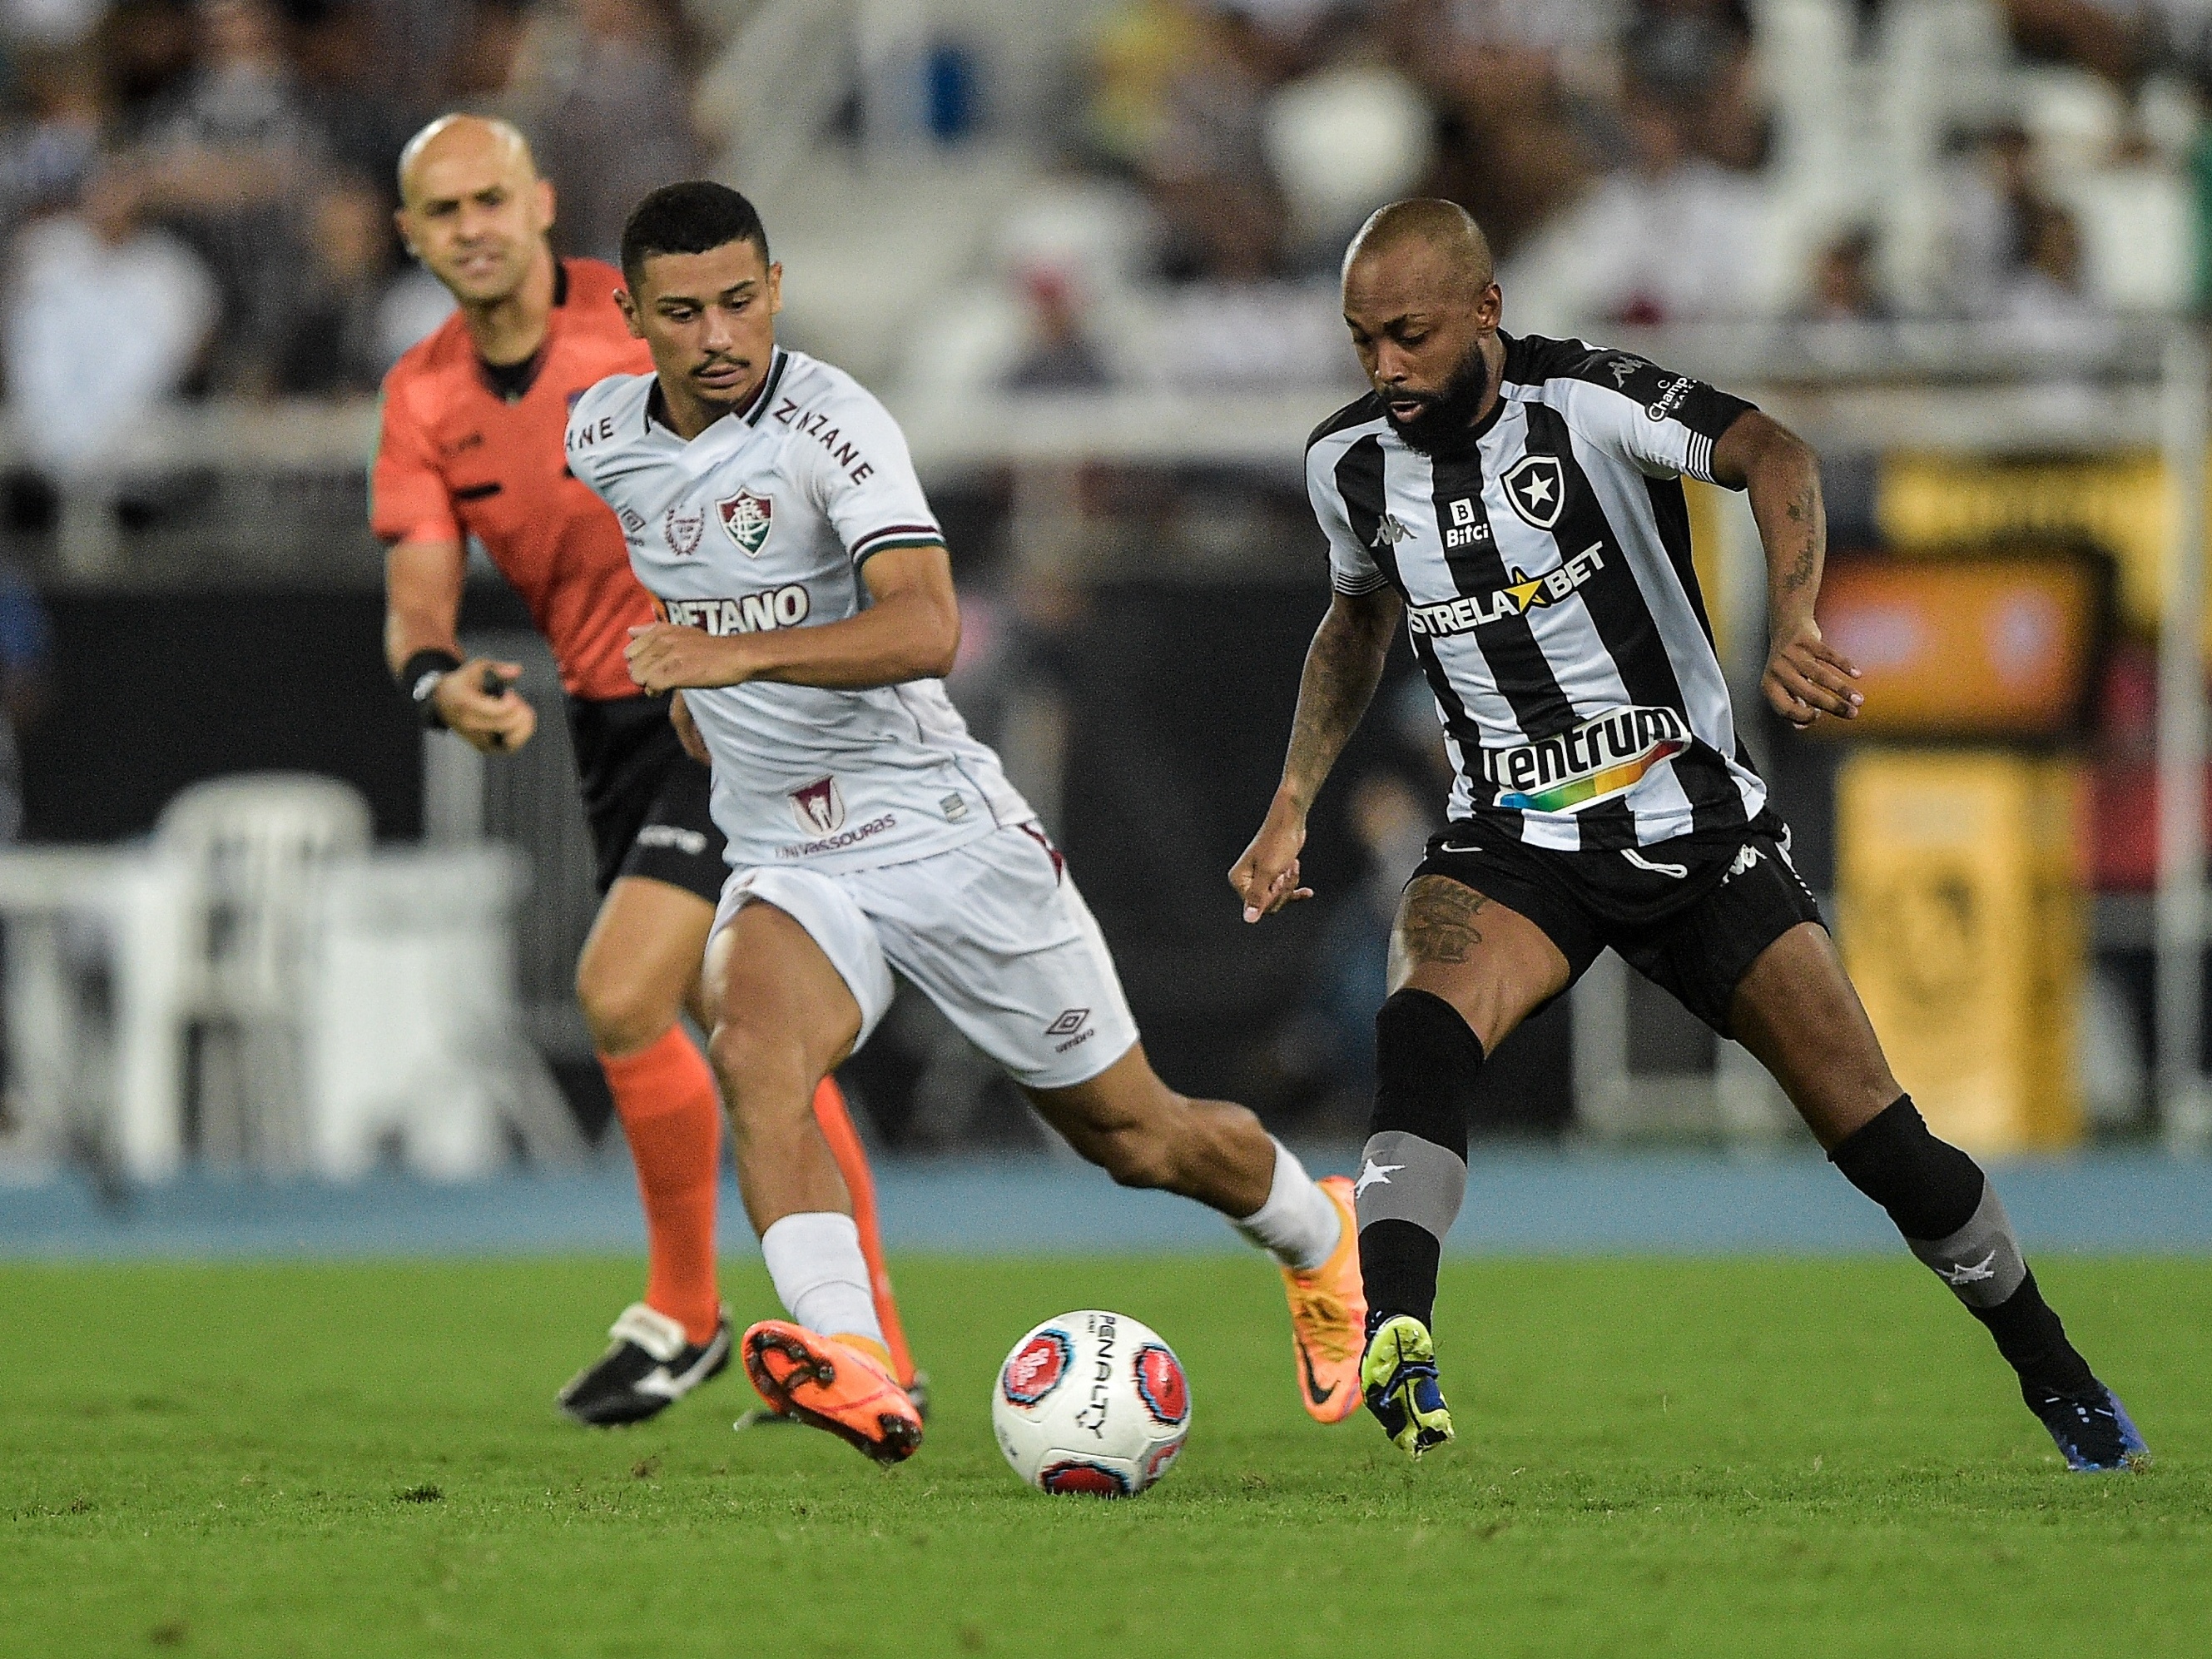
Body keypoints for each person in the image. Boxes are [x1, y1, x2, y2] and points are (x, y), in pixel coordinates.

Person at [1230, 198, 2146, 1473]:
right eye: (1359, 340)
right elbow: (1354, 624)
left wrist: (1795, 618)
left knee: (1884, 1141)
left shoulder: (1587, 403)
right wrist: (1289, 802)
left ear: (1484, 311)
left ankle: (2060, 1376)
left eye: (1407, 334)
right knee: (1418, 1026)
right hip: (1510, 839)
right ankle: (1394, 1329)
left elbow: (1775, 453)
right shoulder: (1349, 465)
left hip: (1690, 831)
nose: (1381, 365)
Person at [565, 180, 1365, 1464]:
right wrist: (688, 697)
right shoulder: (601, 434)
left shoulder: (833, 425)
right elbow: (678, 571)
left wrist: (730, 660)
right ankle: (855, 1358)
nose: (717, 334)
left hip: (940, 833)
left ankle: (1318, 1234)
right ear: (630, 317)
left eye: (737, 301)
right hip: (785, 847)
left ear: (772, 289)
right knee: (755, 1051)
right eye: (681, 312)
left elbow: (926, 626)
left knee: (1137, 1136)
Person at [372, 116, 915, 1427]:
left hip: (737, 699)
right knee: (745, 1026)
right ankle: (854, 1343)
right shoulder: (423, 396)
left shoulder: (645, 325)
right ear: (413, 237)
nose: (475, 227)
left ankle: (702, 1312)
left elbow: (802, 436)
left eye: (492, 197)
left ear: (542, 198)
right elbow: (416, 599)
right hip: (615, 726)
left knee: (625, 990)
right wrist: (442, 682)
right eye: (444, 212)